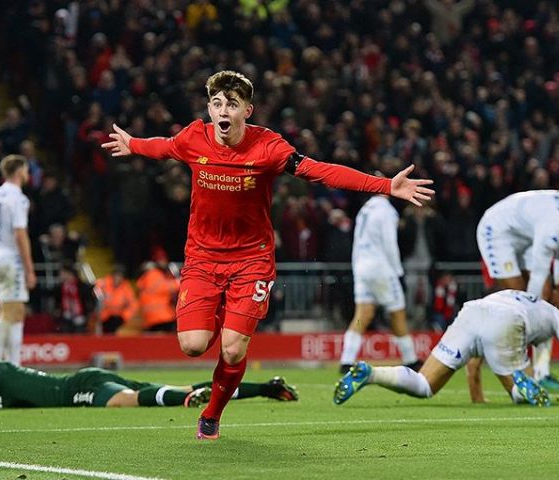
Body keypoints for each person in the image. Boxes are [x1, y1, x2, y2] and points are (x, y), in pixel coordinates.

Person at [103, 70, 434, 439]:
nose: (222, 110)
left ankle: (212, 414)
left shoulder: (268, 148)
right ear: (209, 109)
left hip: (251, 261)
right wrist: (133, 144)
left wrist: (386, 185)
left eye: (231, 103)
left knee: (231, 350)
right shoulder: (194, 137)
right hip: (203, 258)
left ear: (248, 110)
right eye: (216, 103)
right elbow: (163, 146)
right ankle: (226, 318)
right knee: (193, 345)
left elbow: (321, 172)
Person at [333, 290, 559, 407]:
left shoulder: (514, 294)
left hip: (473, 311)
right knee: (525, 396)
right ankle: (522, 385)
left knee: (424, 385)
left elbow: (475, 359)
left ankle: (371, 374)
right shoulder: (555, 314)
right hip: (509, 322)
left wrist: (478, 399)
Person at [0, 342, 299, 411]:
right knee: (184, 387)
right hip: (80, 376)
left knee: (123, 400)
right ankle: (265, 387)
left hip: (78, 387)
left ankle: (177, 401)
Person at [476, 190, 559, 393]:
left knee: (548, 297)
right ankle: (493, 358)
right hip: (498, 230)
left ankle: (542, 373)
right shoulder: (553, 225)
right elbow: (538, 277)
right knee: (517, 296)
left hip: (528, 234)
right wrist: (532, 313)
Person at [339, 194, 419, 373]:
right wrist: (398, 272)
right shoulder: (386, 211)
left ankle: (346, 360)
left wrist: (356, 268)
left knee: (362, 314)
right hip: (381, 268)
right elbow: (390, 243)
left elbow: (357, 242)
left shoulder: (364, 210)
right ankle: (411, 360)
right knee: (397, 312)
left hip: (361, 267)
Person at [0, 155, 35, 366]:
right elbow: (20, 234)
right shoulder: (18, 199)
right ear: (20, 171)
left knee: (10, 311)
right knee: (11, 312)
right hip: (10, 258)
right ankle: (2, 363)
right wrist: (29, 269)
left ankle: (8, 364)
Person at [94, 264, 139, 333]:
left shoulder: (126, 288)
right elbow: (95, 290)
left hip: (117, 318)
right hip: (102, 318)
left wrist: (124, 317)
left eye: (120, 276)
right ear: (113, 275)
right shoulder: (104, 283)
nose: (118, 278)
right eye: (116, 275)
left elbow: (133, 304)